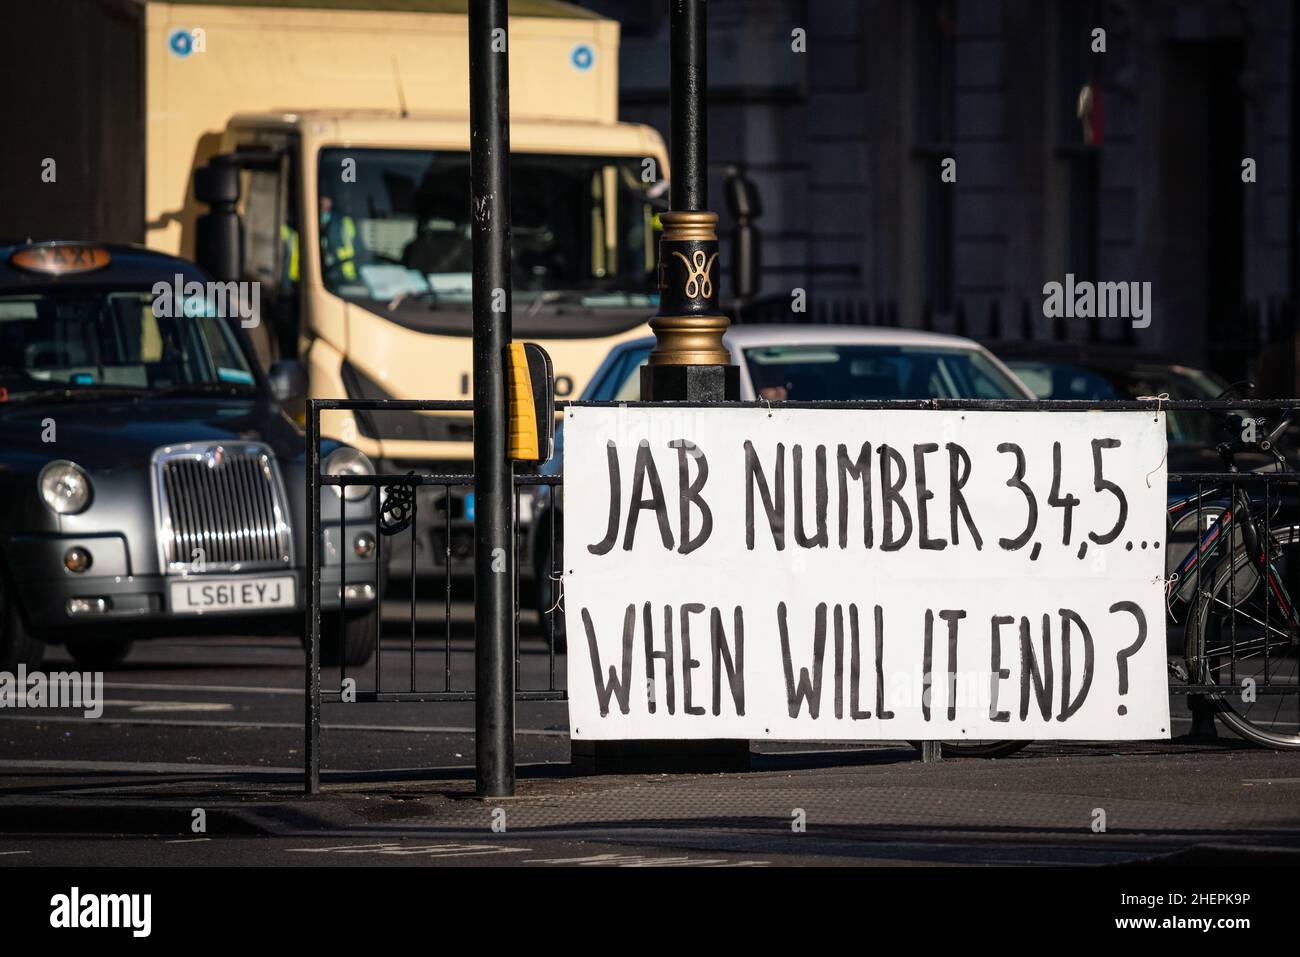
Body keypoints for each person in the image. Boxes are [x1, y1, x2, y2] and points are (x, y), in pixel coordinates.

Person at [319, 195, 360, 283]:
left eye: (327, 202)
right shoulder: (315, 221)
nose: (324, 204)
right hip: (330, 274)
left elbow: (359, 249)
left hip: (345, 274)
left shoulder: (341, 222)